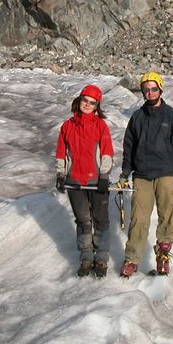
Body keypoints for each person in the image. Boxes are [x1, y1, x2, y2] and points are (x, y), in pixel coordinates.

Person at [120, 71, 173, 277]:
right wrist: (125, 172)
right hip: (142, 174)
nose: (150, 92)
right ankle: (132, 259)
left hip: (166, 172)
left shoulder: (172, 116)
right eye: (146, 89)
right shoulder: (137, 117)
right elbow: (129, 146)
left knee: (167, 213)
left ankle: (163, 255)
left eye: (153, 89)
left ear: (160, 89)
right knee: (138, 219)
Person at [55, 84, 115, 278]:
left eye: (92, 103)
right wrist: (61, 174)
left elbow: (107, 151)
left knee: (101, 220)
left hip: (97, 181)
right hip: (74, 181)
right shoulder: (67, 126)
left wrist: (104, 175)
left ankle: (102, 258)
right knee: (83, 220)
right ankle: (87, 257)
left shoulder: (100, 126)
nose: (87, 105)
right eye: (85, 100)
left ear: (97, 106)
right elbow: (61, 153)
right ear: (79, 100)